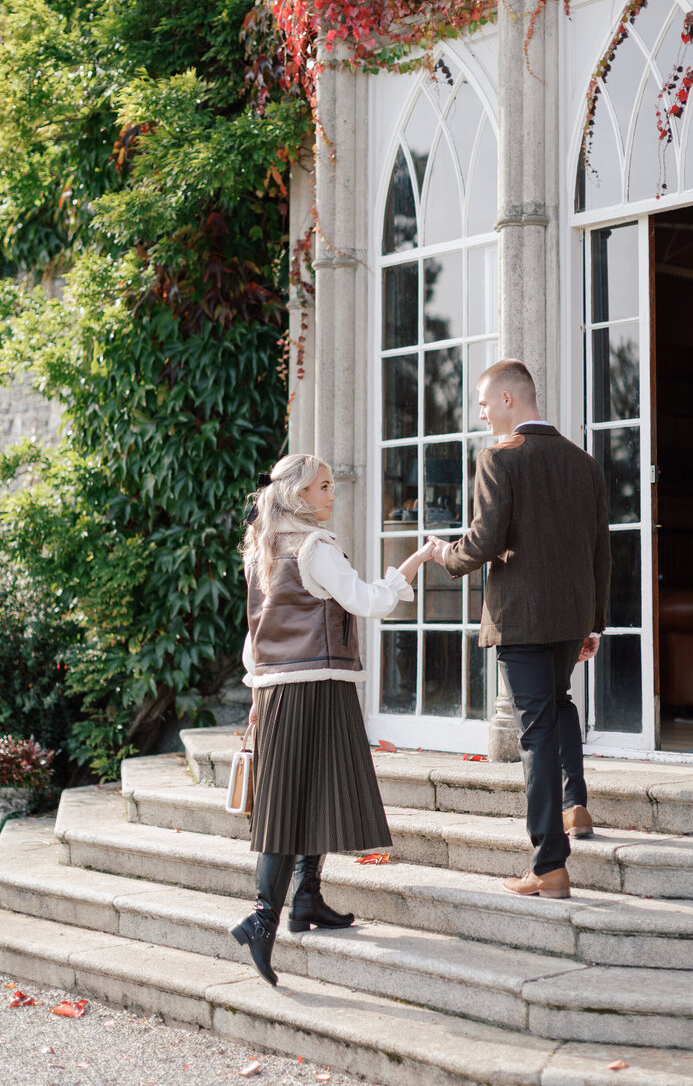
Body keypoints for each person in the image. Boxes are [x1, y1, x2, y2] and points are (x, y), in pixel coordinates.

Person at [231, 453, 435, 986]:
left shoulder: (264, 546)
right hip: (314, 687)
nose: (332, 494)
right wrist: (409, 568)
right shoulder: (314, 547)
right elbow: (366, 601)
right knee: (288, 805)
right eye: (324, 486)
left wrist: (257, 690)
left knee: (306, 794)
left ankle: (307, 900)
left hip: (281, 689)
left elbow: (254, 635)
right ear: (299, 494)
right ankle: (261, 919)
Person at [428, 359, 610, 900]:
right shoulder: (584, 463)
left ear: (510, 400)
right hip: (571, 615)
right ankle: (575, 805)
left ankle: (549, 865)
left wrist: (446, 555)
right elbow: (602, 550)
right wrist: (594, 621)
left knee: (534, 733)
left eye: (484, 404)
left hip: (523, 620)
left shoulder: (498, 459)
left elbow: (483, 542)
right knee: (558, 706)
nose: (481, 415)